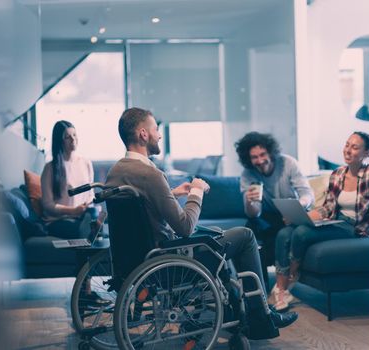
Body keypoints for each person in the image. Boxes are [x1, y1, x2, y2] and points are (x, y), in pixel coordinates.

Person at [105, 107, 298, 338]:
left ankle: (234, 311)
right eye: (156, 129)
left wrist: (172, 193)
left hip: (137, 258)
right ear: (143, 134)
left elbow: (141, 205)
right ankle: (261, 317)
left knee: (216, 234)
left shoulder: (117, 171)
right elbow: (185, 227)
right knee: (244, 236)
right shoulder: (150, 174)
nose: (159, 135)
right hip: (169, 258)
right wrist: (196, 192)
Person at [273, 132, 369, 311]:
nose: (348, 150)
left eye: (354, 147)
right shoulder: (338, 174)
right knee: (284, 233)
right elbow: (328, 208)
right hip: (335, 222)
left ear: (367, 153)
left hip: (356, 228)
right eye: (347, 145)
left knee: (301, 233)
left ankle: (291, 277)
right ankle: (281, 289)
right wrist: (307, 216)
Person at [234, 131, 314, 307]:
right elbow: (254, 213)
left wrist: (297, 207)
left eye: (263, 154)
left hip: (290, 212)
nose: (260, 160)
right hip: (267, 217)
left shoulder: (288, 163)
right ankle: (255, 292)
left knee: (280, 234)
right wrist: (250, 201)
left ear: (270, 152)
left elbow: (307, 194)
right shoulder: (248, 175)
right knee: (249, 230)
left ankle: (277, 289)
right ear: (248, 159)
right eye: (254, 157)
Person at [41, 120, 95, 238]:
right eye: (67, 137)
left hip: (81, 216)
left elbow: (90, 194)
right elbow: (47, 205)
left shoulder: (86, 163)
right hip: (58, 220)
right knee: (79, 230)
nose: (73, 139)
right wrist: (72, 210)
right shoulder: (50, 168)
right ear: (60, 141)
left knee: (98, 222)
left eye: (74, 135)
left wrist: (87, 204)